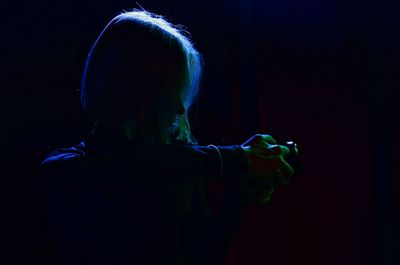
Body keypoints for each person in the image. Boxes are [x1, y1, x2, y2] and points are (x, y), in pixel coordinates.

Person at [39, 9, 294, 265]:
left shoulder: (177, 168)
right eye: (172, 91)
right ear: (136, 89)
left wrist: (236, 199)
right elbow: (125, 168)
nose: (180, 108)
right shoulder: (66, 168)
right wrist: (236, 159)